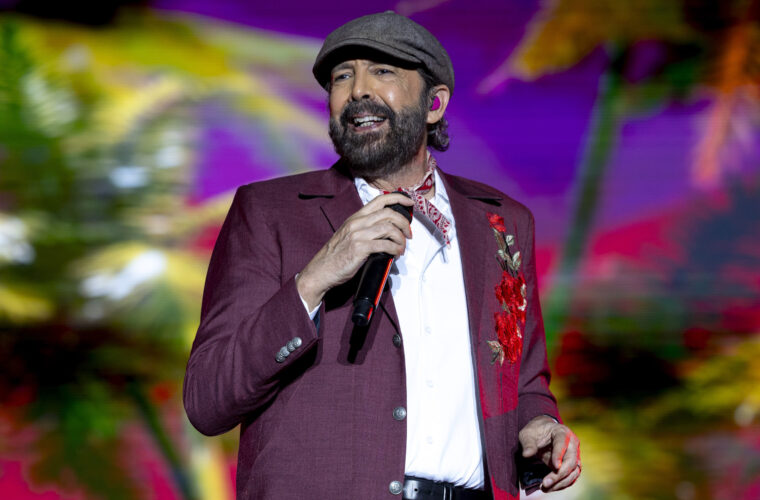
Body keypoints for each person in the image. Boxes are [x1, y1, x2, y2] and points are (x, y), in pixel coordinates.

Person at [183, 11, 581, 500]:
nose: (358, 91)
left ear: (434, 104)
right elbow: (208, 400)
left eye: (383, 71)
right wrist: (315, 278)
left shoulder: (502, 223)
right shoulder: (270, 212)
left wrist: (539, 426)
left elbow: (523, 383)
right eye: (341, 77)